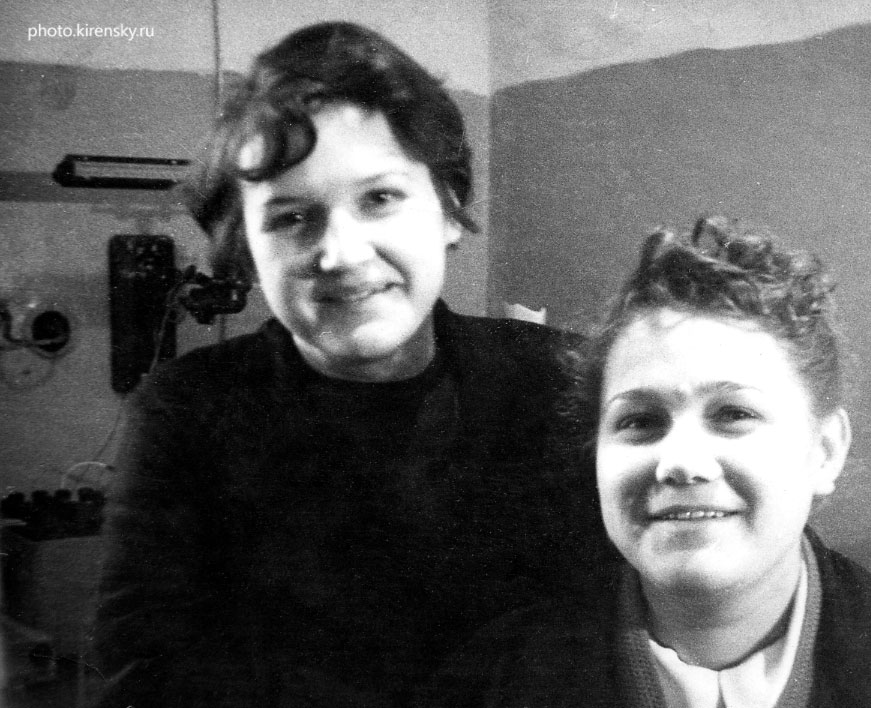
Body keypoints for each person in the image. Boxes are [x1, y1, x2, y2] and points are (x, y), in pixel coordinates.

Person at [92, 22, 607, 708]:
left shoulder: (559, 383)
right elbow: (144, 676)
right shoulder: (187, 412)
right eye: (291, 218)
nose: (341, 253)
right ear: (245, 248)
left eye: (380, 198)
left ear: (450, 210)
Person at [420, 216, 871, 707]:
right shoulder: (485, 685)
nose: (680, 462)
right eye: (640, 422)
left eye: (733, 414)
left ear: (825, 451)